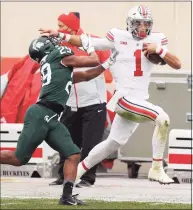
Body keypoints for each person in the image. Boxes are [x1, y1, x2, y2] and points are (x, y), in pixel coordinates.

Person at [39, 5, 181, 184]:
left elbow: (177, 64)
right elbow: (86, 41)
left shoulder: (157, 39)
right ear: (130, 23)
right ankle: (156, 168)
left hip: (139, 100)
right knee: (162, 118)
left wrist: (159, 50)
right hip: (123, 98)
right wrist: (59, 34)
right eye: (138, 23)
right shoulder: (118, 37)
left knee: (112, 143)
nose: (143, 27)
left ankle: (77, 173)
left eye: (146, 24)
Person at [0, 35, 117, 205]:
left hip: (52, 117)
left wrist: (108, 64)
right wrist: (89, 46)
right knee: (19, 159)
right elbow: (92, 60)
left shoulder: (57, 66)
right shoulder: (59, 58)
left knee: (73, 154)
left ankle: (66, 196)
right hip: (40, 114)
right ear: (47, 48)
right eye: (51, 43)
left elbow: (86, 76)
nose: (57, 44)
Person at [49, 12, 110, 187]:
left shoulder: (93, 42)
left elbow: (105, 63)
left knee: (91, 144)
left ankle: (87, 178)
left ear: (71, 27)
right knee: (66, 142)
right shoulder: (59, 44)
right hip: (69, 102)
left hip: (93, 103)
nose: (58, 29)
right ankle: (64, 176)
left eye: (61, 26)